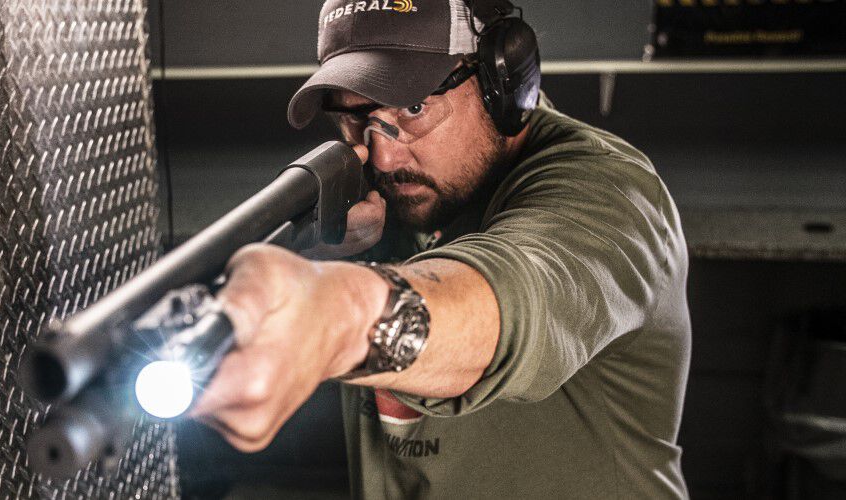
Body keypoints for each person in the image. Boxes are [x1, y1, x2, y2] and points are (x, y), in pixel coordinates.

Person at [188, 0, 691, 498]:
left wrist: (338, 311)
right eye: (354, 113)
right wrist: (315, 253)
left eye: (414, 108)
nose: (383, 155)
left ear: (504, 83)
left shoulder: (609, 193)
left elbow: (518, 295)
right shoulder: (380, 196)